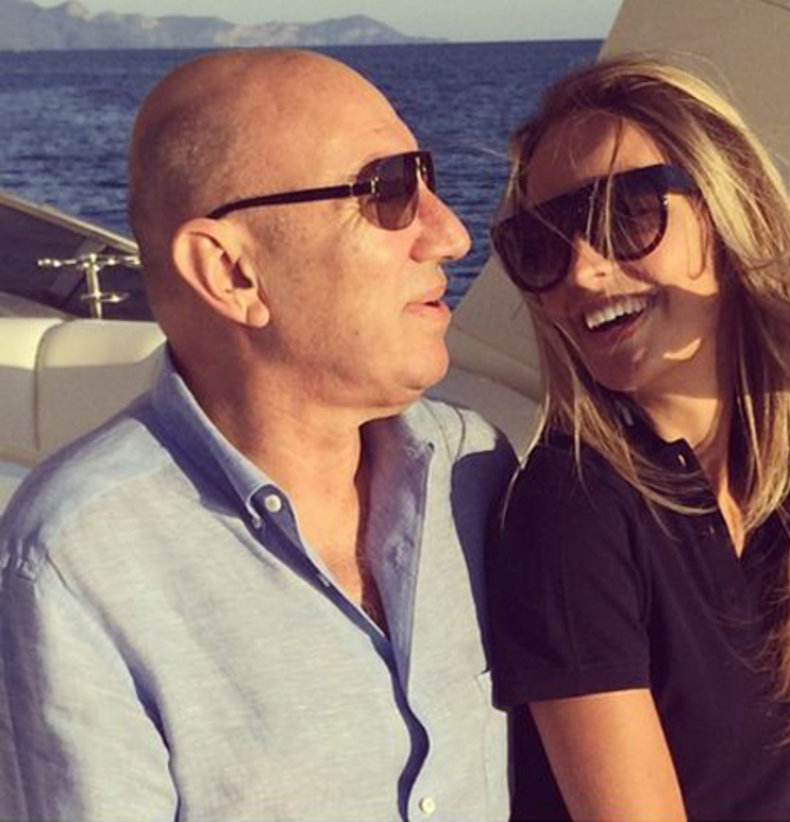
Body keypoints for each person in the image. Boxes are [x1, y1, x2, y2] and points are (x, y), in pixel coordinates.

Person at [0, 49, 515, 821]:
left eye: (427, 180)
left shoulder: (476, 471)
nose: (451, 235)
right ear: (231, 273)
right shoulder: (75, 568)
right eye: (389, 190)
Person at [487, 55, 790, 821]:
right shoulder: (574, 508)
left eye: (626, 217)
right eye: (540, 246)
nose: (582, 274)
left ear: (729, 208)